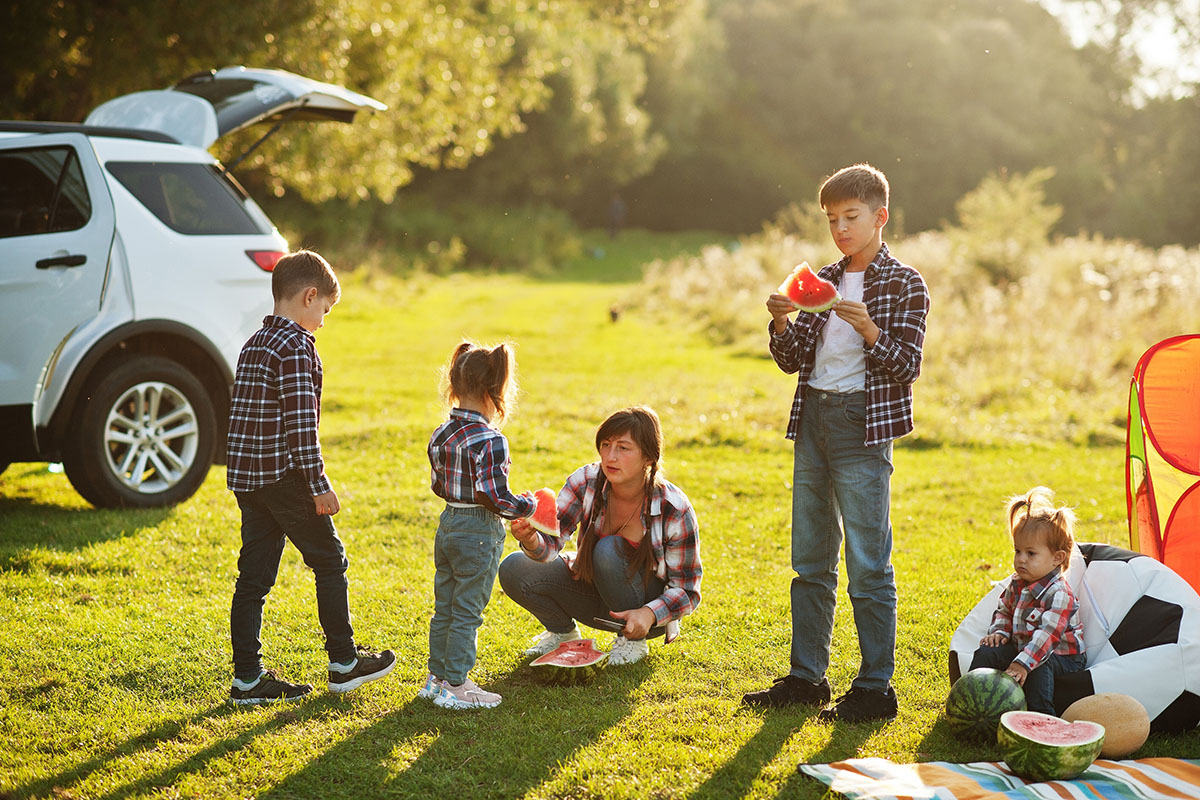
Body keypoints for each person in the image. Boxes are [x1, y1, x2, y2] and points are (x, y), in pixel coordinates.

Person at [743, 163, 929, 722]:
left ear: (880, 217)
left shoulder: (905, 284)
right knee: (810, 560)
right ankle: (807, 678)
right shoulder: (823, 275)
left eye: (851, 217)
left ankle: (876, 687)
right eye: (832, 219)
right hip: (813, 420)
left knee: (869, 562)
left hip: (861, 427)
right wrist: (779, 324)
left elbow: (907, 367)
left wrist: (870, 331)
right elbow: (793, 359)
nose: (841, 229)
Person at [226, 249, 395, 706]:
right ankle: (343, 662)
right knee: (329, 560)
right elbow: (302, 428)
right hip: (285, 478)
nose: (323, 321)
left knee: (254, 579)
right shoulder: (296, 348)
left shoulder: (255, 342)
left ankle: (247, 679)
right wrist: (319, 485)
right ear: (309, 296)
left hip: (247, 479)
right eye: (324, 310)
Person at [499, 406, 702, 666]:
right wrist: (531, 540)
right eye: (606, 445)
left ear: (649, 457)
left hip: (648, 613)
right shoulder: (585, 481)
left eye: (623, 448)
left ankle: (632, 642)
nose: (610, 456)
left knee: (609, 549)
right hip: (595, 594)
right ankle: (563, 633)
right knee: (514, 567)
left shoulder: (674, 508)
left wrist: (649, 614)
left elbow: (687, 590)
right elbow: (552, 546)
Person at [421, 340, 538, 710]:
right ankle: (456, 684)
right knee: (468, 610)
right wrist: (528, 505)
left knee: (446, 606)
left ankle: (435, 679)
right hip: (479, 530)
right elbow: (494, 497)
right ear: (494, 392)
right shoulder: (491, 441)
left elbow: (438, 484)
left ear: (454, 385)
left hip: (448, 523)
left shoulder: (441, 433)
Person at [971, 487, 1086, 715]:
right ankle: (972, 701)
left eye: (1031, 554)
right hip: (1024, 647)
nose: (1021, 559)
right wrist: (1000, 634)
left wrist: (1022, 663)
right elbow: (1004, 611)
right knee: (987, 652)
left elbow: (1047, 636)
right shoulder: (1018, 582)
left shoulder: (1060, 594)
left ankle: (1041, 717)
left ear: (1057, 558)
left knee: (1039, 667)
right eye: (1017, 551)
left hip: (1062, 658)